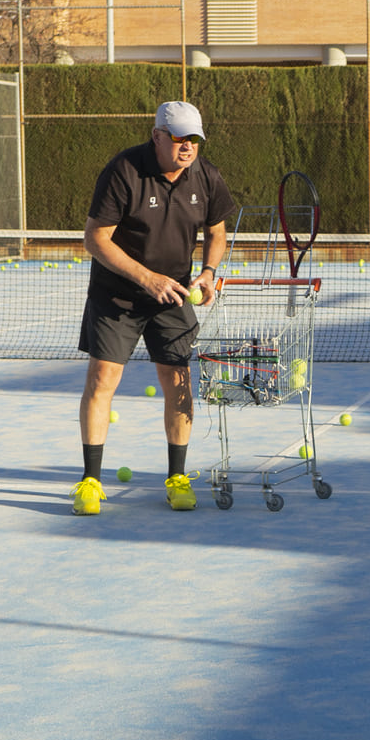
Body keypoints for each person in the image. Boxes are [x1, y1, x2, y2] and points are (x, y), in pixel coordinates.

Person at [70, 102, 236, 516]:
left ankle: (177, 477)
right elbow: (96, 238)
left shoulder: (206, 175)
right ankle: (91, 481)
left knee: (178, 382)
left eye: (194, 139)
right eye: (180, 138)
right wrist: (146, 279)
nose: (188, 147)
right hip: (118, 294)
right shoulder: (124, 171)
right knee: (102, 378)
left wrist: (208, 272)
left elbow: (217, 231)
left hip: (176, 294)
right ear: (158, 135)